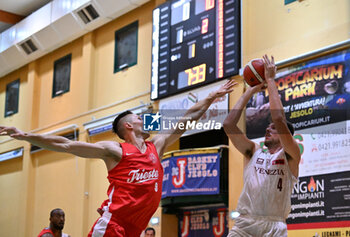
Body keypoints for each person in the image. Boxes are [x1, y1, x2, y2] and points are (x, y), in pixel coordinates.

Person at [0, 80, 236, 237]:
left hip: (135, 230)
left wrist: (211, 96)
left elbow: (189, 117)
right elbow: (67, 144)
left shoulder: (157, 146)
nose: (145, 120)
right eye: (139, 118)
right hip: (113, 227)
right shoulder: (116, 150)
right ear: (128, 126)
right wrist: (25, 135)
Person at [223, 55, 300, 237]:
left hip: (274, 226)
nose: (268, 128)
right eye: (268, 126)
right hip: (245, 224)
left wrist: (271, 80)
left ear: (284, 136)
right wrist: (250, 91)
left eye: (273, 128)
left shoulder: (291, 155)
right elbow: (228, 125)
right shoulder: (253, 152)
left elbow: (279, 119)